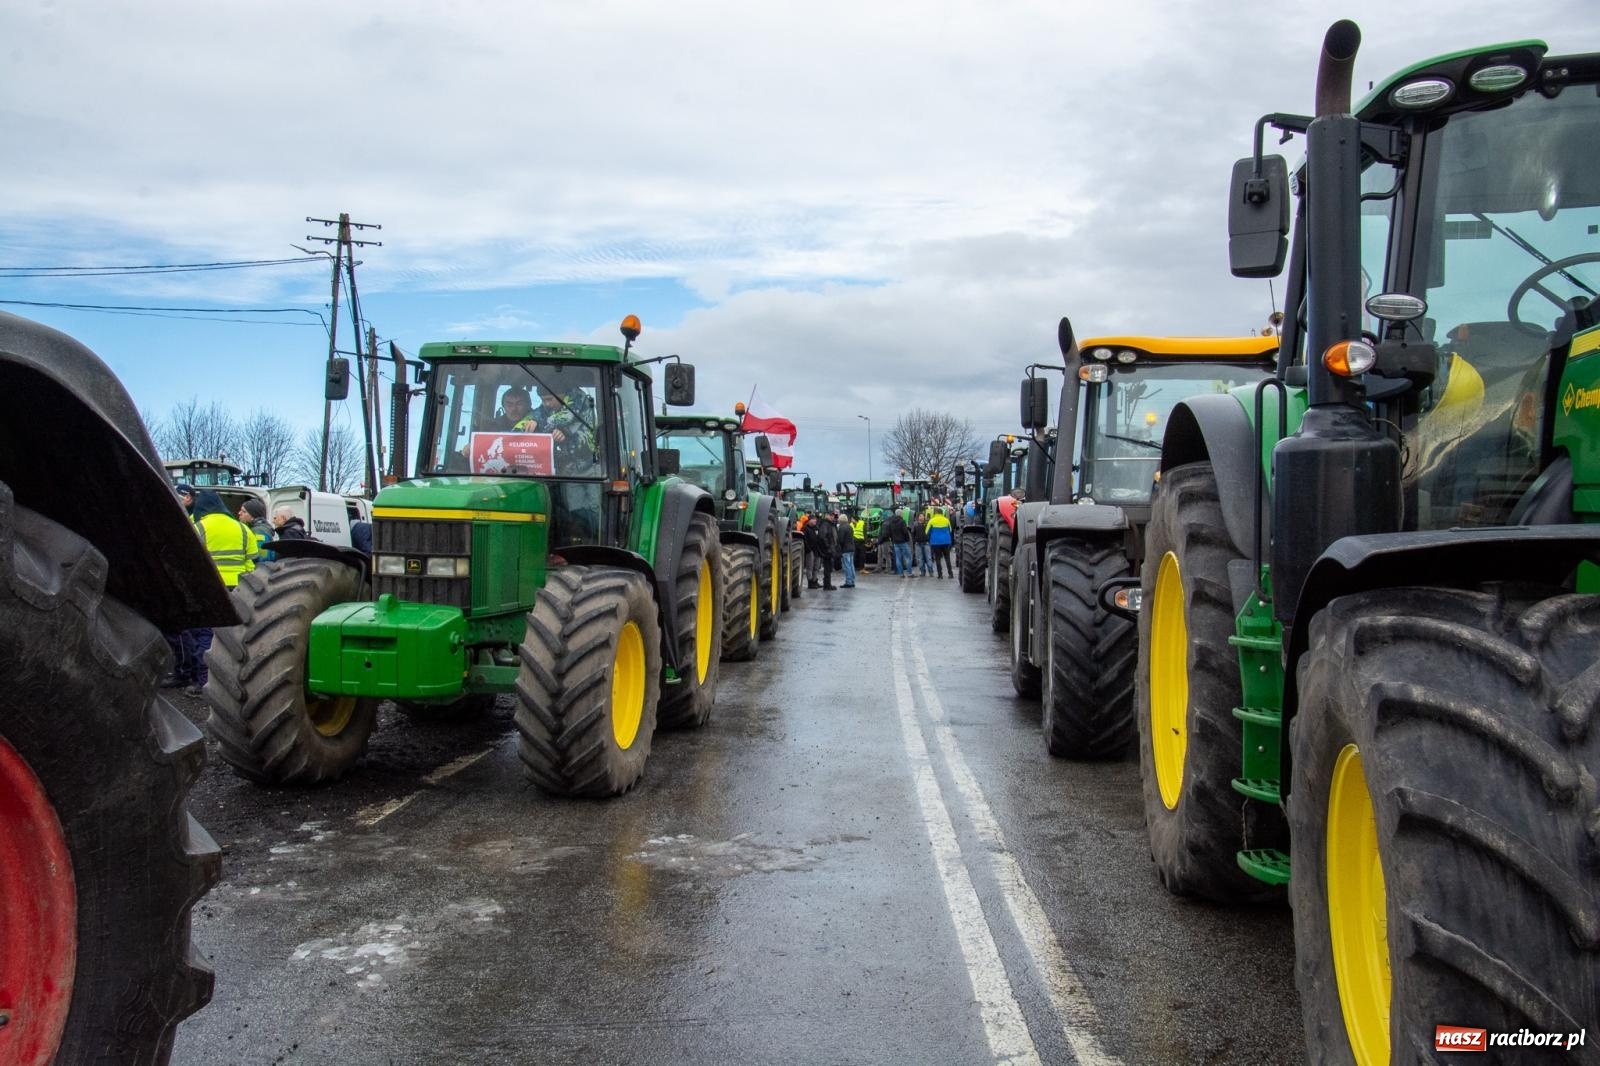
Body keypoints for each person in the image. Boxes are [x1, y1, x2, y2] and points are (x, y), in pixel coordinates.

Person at [186, 489, 261, 695]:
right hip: (238, 589)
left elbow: (189, 559)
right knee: (236, 637)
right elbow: (252, 561)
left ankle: (203, 683)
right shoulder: (243, 529)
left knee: (205, 635)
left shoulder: (199, 527)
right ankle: (237, 682)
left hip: (209, 588)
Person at [882, 508, 912, 578]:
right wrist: (907, 539)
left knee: (898, 558)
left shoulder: (891, 522)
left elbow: (890, 532)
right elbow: (905, 532)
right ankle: (909, 573)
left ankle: (901, 573)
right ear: (901, 514)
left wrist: (893, 539)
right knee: (908, 557)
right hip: (903, 542)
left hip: (895, 543)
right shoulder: (902, 521)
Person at [926, 505, 954, 578]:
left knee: (938, 559)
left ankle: (940, 575)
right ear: (942, 513)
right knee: (947, 558)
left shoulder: (931, 520)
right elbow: (950, 530)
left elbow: (927, 532)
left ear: (935, 513)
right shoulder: (946, 520)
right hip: (946, 542)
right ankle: (950, 574)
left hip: (935, 542)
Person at [834, 510, 856, 588]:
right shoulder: (849, 526)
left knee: (847, 566)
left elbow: (841, 540)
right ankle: (852, 581)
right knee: (851, 565)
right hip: (851, 548)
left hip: (845, 549)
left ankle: (848, 582)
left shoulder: (842, 528)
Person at [912, 508, 932, 576]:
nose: (921, 517)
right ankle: (922, 572)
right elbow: (913, 534)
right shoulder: (915, 524)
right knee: (920, 559)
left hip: (926, 543)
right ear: (918, 517)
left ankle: (931, 572)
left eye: (922, 516)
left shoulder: (927, 523)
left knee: (928, 558)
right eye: (920, 516)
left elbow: (930, 533)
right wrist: (915, 540)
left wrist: (928, 539)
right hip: (918, 544)